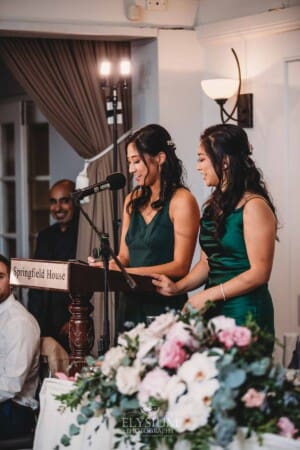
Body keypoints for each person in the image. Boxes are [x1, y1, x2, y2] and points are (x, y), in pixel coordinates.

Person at [152, 124, 277, 339]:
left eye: (202, 159)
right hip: (213, 309)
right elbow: (207, 262)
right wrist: (178, 288)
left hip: (245, 311)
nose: (198, 166)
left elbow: (259, 274)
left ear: (224, 161)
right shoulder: (214, 205)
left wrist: (208, 295)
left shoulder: (255, 206)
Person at [89, 124, 200, 330]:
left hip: (164, 304)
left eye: (136, 162)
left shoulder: (182, 201)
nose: (131, 170)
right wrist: (107, 265)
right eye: (129, 162)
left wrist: (129, 272)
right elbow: (125, 257)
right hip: (130, 304)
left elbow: (180, 266)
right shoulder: (132, 199)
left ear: (160, 158)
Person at [28, 179, 79, 352]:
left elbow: (90, 281)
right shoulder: (44, 236)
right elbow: (36, 281)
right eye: (53, 202)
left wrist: (75, 318)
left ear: (76, 201)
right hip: (43, 321)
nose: (57, 208)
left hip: (72, 323)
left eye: (64, 201)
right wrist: (32, 320)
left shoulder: (85, 235)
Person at [0, 254, 40, 438]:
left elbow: (12, 384)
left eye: (0, 277)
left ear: (12, 282)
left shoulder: (18, 321)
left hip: (14, 410)